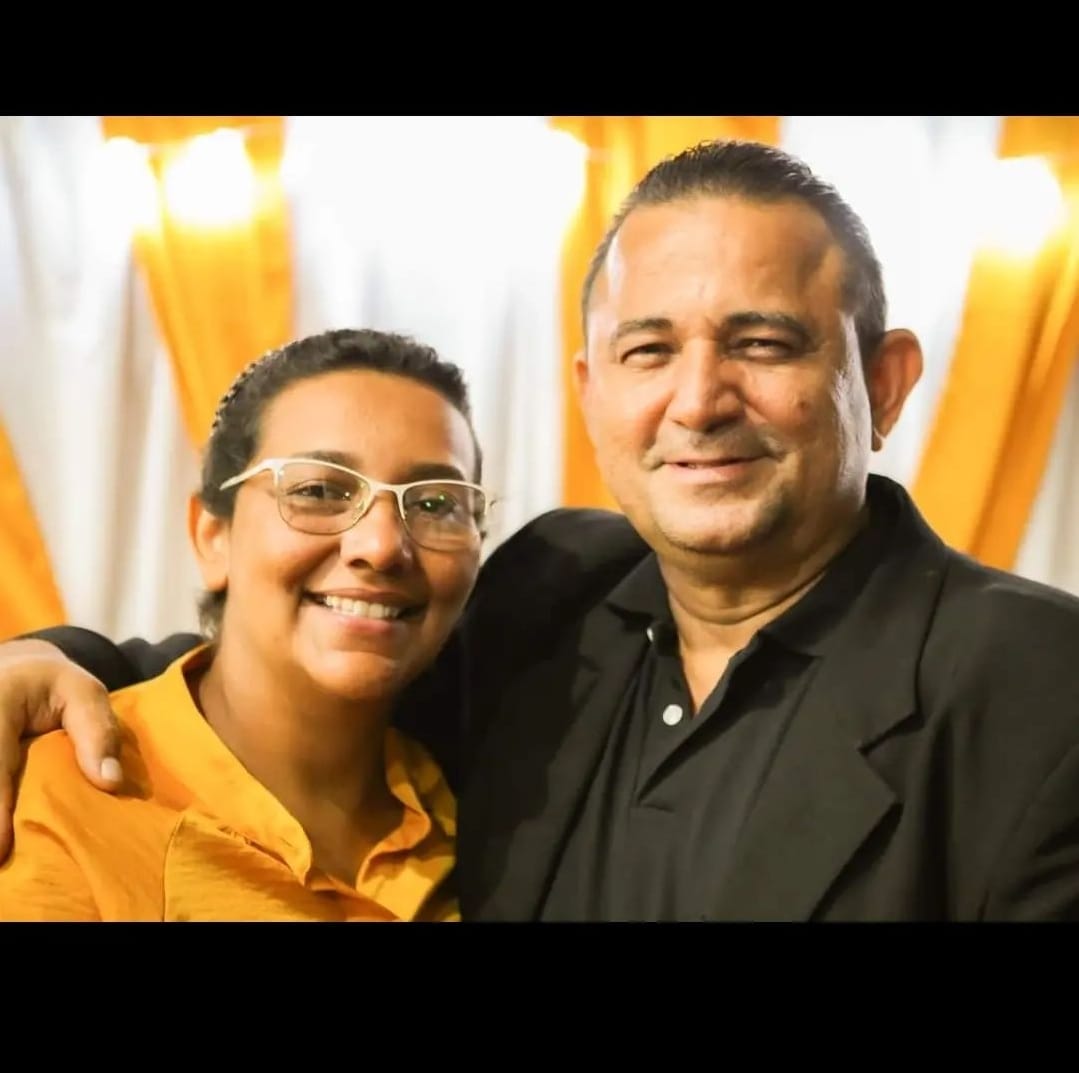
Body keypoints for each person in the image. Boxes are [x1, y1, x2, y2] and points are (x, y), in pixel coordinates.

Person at [3, 139, 1079, 921]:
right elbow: (311, 668)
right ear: (590, 391)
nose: (697, 400)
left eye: (761, 342)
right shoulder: (553, 592)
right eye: (647, 350)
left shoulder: (1037, 690)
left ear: (882, 384)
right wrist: (52, 662)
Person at [0, 327, 489, 920]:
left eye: (435, 503)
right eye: (318, 490)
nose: (382, 546)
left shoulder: (489, 820)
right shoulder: (73, 801)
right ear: (213, 537)